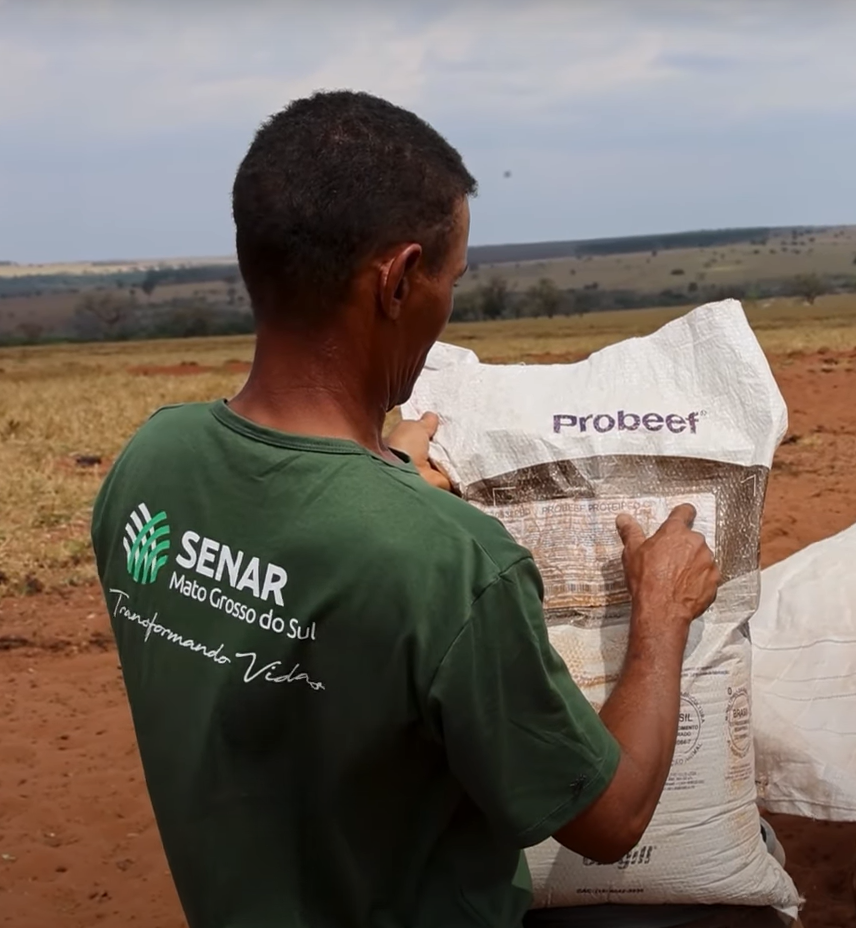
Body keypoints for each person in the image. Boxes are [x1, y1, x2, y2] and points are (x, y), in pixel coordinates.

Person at [90, 89, 777, 928]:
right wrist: (662, 615)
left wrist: (382, 476)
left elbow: (286, 583)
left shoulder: (151, 464)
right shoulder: (452, 563)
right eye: (450, 281)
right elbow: (610, 819)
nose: (447, 301)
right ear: (399, 280)